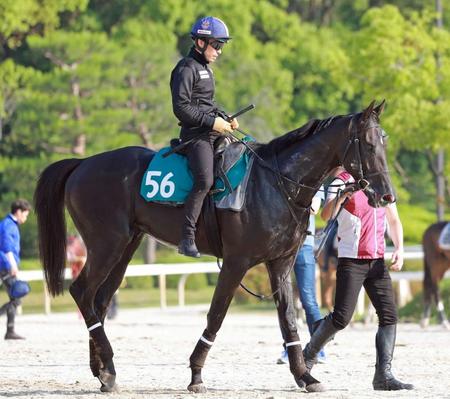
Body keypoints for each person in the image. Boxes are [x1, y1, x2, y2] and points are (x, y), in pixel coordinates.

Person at [302, 167, 413, 391]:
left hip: (377, 260)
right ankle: (308, 355)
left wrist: (399, 248)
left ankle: (383, 376)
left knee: (389, 315)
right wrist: (344, 195)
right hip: (351, 260)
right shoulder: (341, 180)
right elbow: (326, 215)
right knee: (341, 318)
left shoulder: (381, 181)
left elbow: (393, 220)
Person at [170, 16, 239, 258]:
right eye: (216, 45)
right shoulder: (185, 68)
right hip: (195, 138)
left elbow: (206, 104)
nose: (219, 51)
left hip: (212, 132)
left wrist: (225, 116)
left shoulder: (205, 69)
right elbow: (181, 108)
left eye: (221, 46)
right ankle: (187, 237)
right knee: (205, 181)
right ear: (200, 42)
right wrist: (212, 122)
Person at [278, 187, 327, 364]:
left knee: (308, 299)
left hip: (304, 243)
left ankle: (318, 347)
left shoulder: (317, 180)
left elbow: (313, 209)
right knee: (284, 300)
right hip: (281, 244)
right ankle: (289, 347)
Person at [0, 199, 31, 340]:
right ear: (18, 212)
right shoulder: (9, 226)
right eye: (25, 215)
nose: (26, 218)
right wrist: (13, 265)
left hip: (6, 265)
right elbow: (7, 248)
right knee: (17, 297)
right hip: (6, 266)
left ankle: (10, 331)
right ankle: (10, 330)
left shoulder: (9, 224)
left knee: (14, 297)